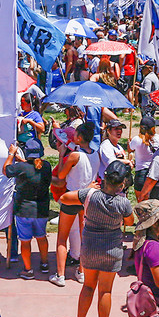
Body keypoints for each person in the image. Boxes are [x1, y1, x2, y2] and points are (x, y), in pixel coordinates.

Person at [59, 161, 135, 317]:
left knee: (88, 287)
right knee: (105, 290)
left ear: (104, 178)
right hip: (111, 250)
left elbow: (64, 198)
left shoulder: (90, 195)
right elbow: (130, 222)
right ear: (122, 183)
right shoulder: (123, 202)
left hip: (90, 249)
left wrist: (86, 190)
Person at [50, 123, 97, 287]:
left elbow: (61, 176)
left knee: (62, 237)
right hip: (88, 198)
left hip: (72, 196)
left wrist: (61, 154)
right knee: (85, 237)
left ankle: (60, 275)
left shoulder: (74, 156)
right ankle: (81, 272)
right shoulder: (96, 154)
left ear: (79, 138)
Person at [2, 139, 51, 279]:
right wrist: (22, 160)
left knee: (25, 240)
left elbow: (6, 170)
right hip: (41, 210)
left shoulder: (20, 168)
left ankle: (28, 270)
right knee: (41, 237)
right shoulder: (46, 166)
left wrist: (11, 154)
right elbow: (33, 167)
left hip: (23, 210)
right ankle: (45, 264)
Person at [130, 116, 159, 193]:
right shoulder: (157, 138)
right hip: (154, 174)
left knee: (141, 203)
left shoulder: (136, 140)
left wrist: (129, 143)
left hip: (140, 174)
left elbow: (130, 149)